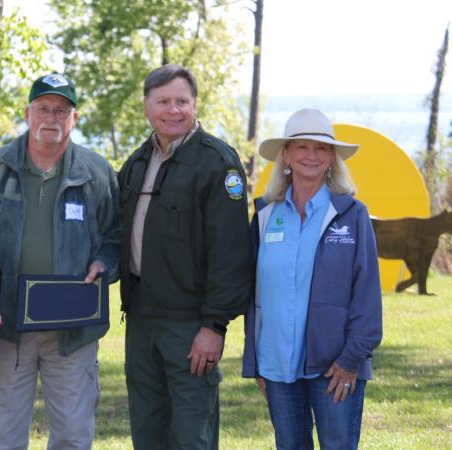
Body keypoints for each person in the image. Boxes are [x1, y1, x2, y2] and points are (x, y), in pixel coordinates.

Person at [0, 73, 120, 449]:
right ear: (27, 113)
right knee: (4, 435)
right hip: (7, 327)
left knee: (72, 435)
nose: (52, 118)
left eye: (62, 111)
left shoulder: (97, 173)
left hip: (72, 331)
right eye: (44, 109)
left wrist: (103, 263)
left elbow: (116, 236)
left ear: (74, 119)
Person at [117, 64, 253, 449]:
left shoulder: (217, 163)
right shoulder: (138, 162)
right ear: (147, 107)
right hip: (141, 319)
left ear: (195, 105)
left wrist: (215, 326)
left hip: (191, 323)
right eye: (163, 102)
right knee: (148, 427)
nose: (172, 110)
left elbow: (231, 253)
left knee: (191, 431)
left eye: (182, 101)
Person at [242, 108, 383, 450]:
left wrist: (352, 360)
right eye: (301, 147)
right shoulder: (264, 215)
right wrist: (257, 361)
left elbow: (367, 294)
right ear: (286, 155)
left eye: (321, 148)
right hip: (277, 364)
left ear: (332, 158)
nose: (311, 156)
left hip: (336, 365)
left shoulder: (352, 214)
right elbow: (253, 295)